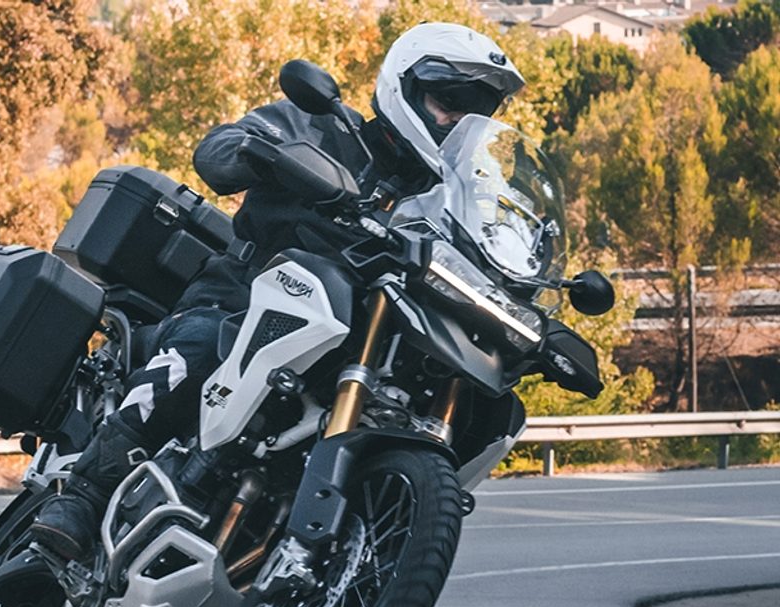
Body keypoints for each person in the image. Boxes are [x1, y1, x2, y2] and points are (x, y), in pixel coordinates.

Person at [29, 22, 525, 561]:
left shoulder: (454, 198)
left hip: (352, 343)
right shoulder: (320, 125)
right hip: (239, 299)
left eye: (474, 112)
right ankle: (81, 497)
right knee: (201, 347)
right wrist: (259, 153)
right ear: (403, 85)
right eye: (447, 101)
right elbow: (218, 150)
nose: (455, 121)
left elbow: (494, 256)